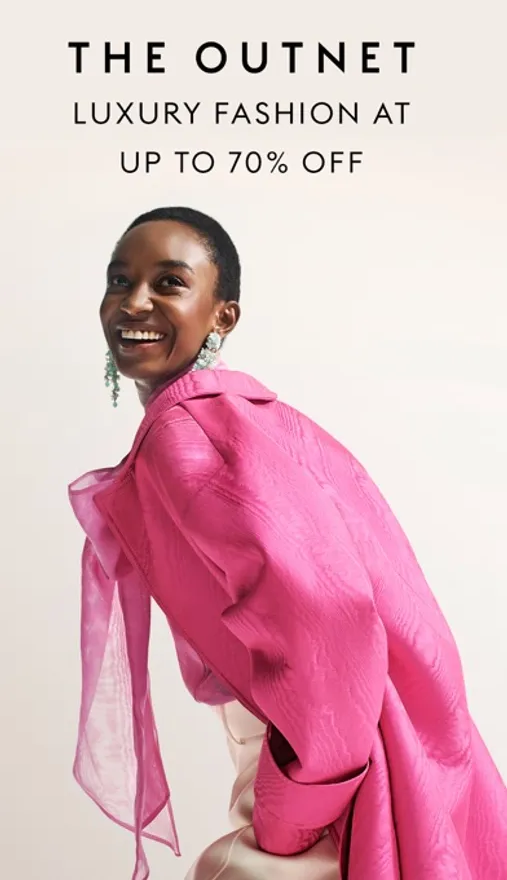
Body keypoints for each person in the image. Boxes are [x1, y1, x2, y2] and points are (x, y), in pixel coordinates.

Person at [68, 206, 507, 880]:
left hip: (324, 757)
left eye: (169, 282)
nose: (134, 302)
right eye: (119, 280)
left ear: (223, 316)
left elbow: (329, 616)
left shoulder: (186, 435)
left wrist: (293, 807)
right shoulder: (247, 415)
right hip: (378, 738)